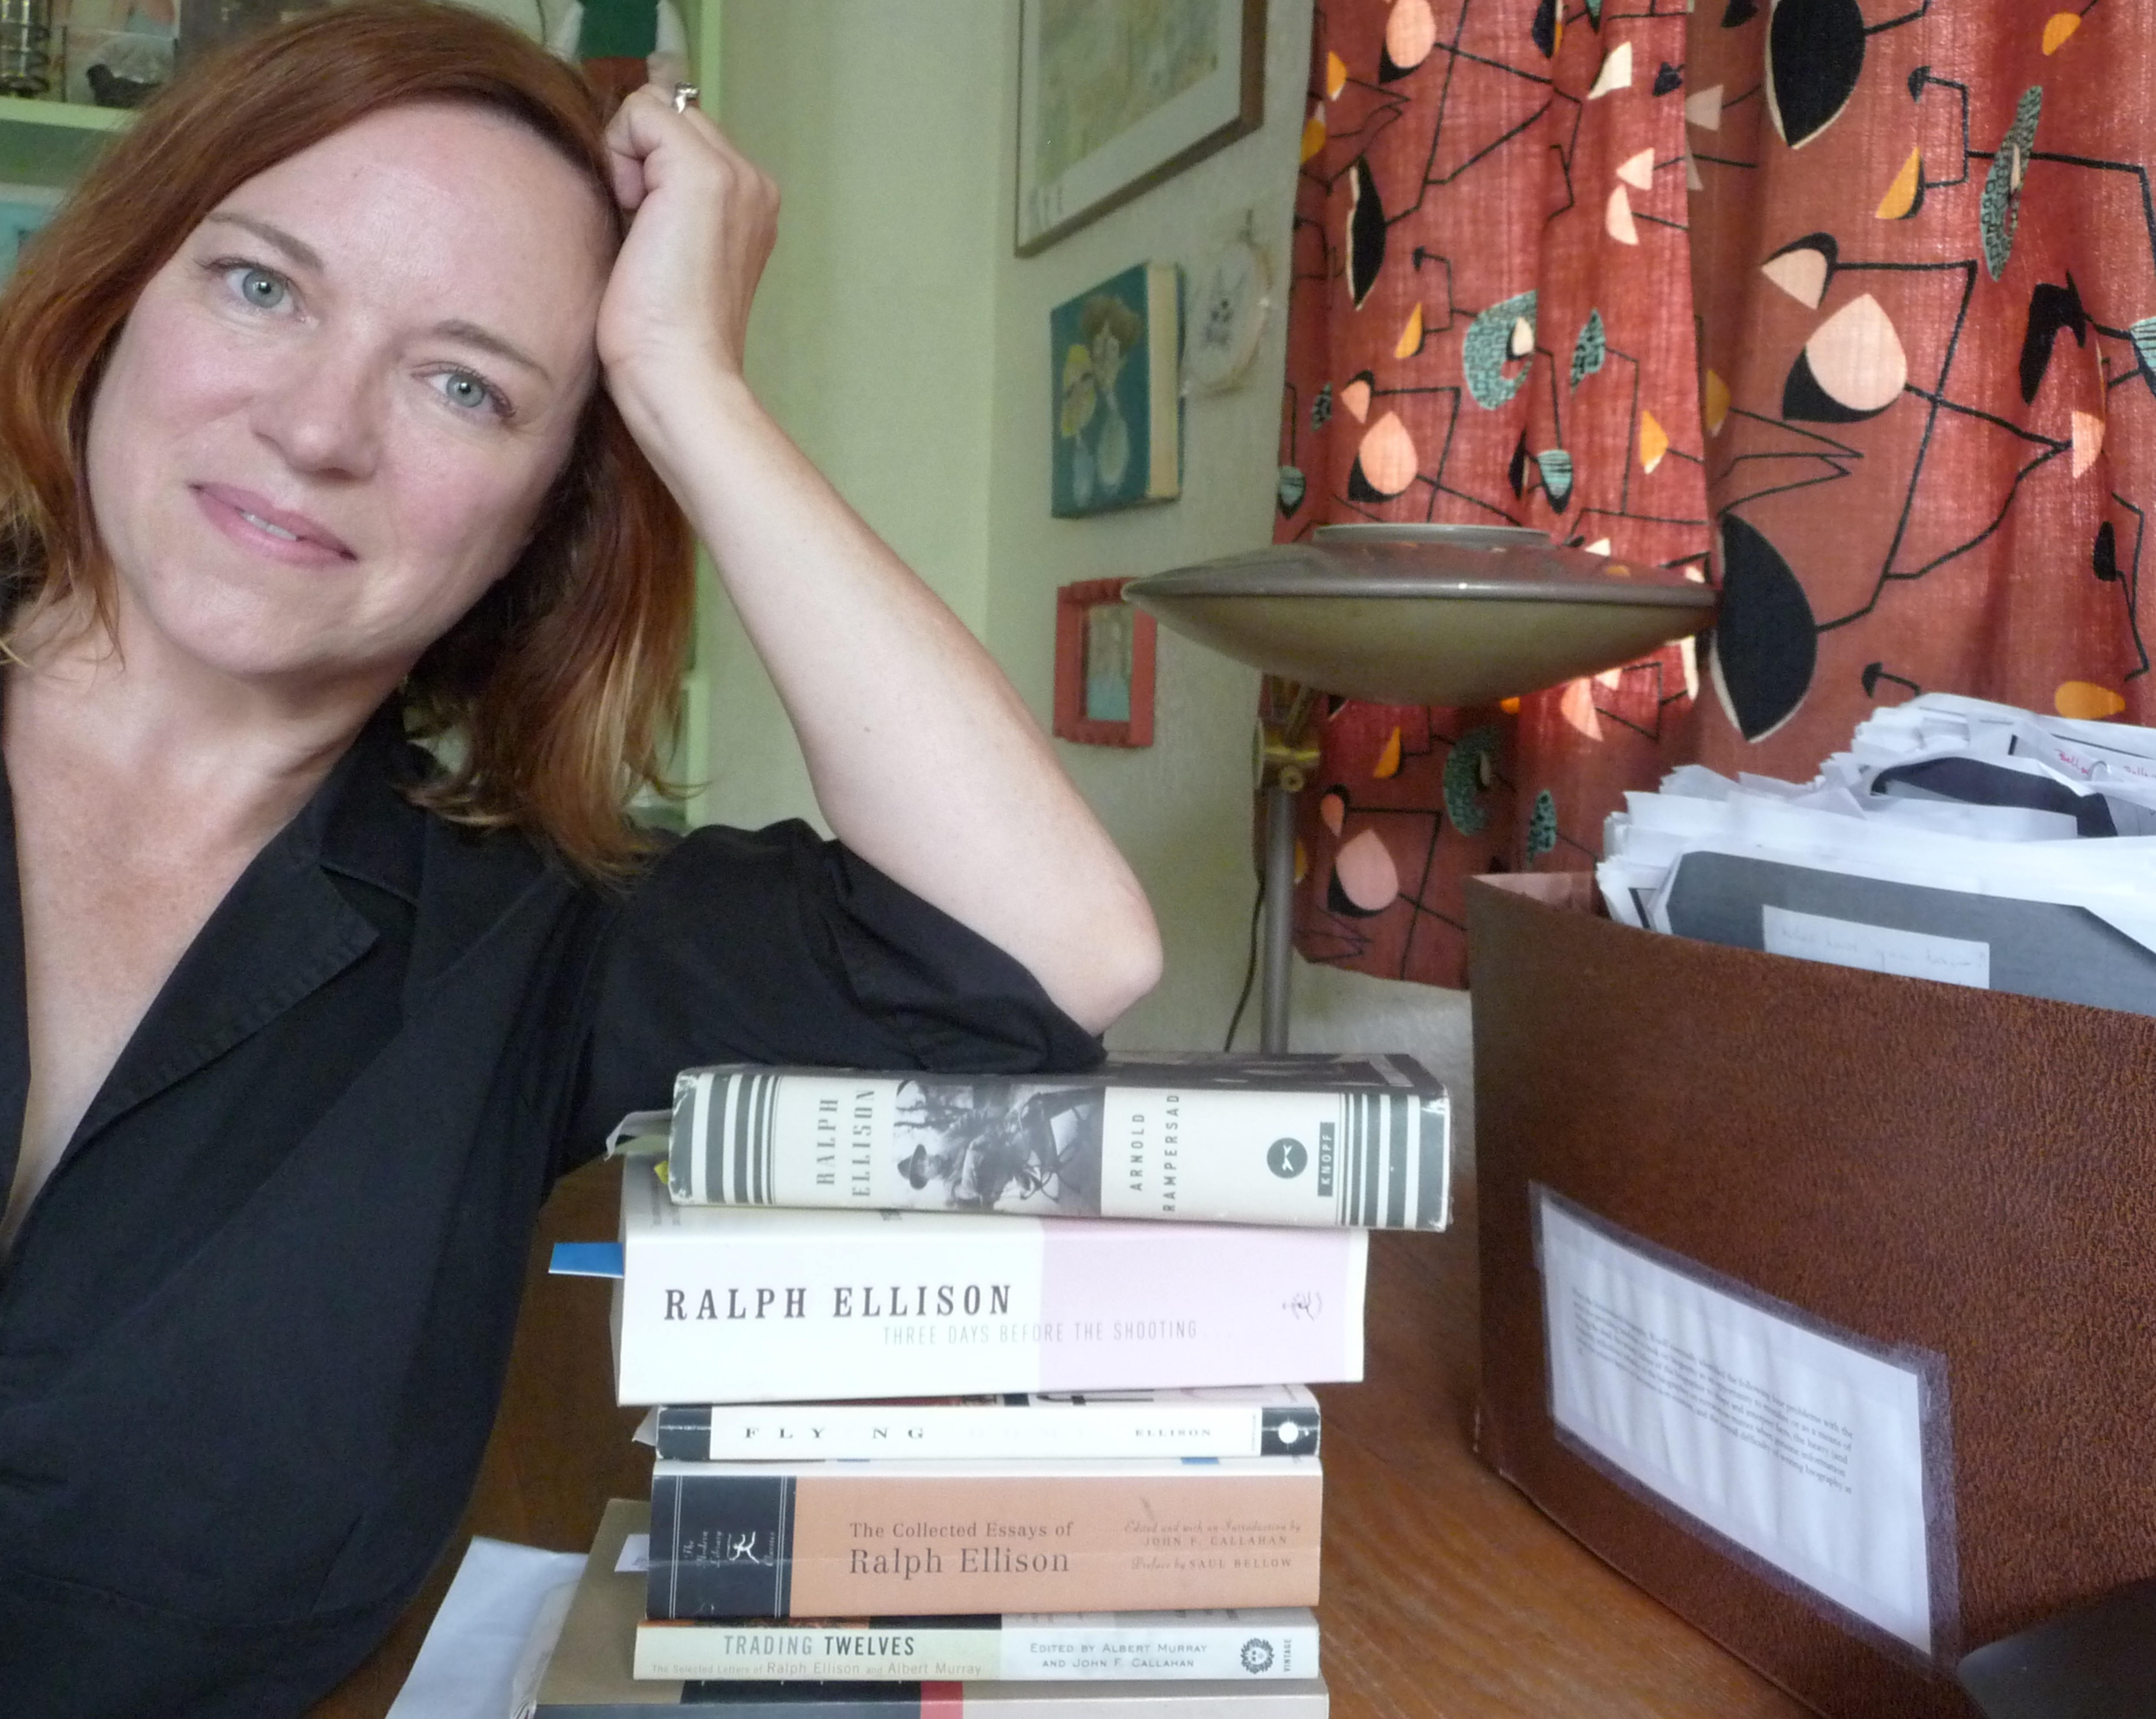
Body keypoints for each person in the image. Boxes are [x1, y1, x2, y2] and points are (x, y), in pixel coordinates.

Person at [0, 3, 1161, 1712]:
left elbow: (1057, 944)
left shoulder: (530, 931)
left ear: (550, 505)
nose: (321, 426)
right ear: (117, 303)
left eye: (465, 382)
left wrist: (687, 384)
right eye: (261, 285)